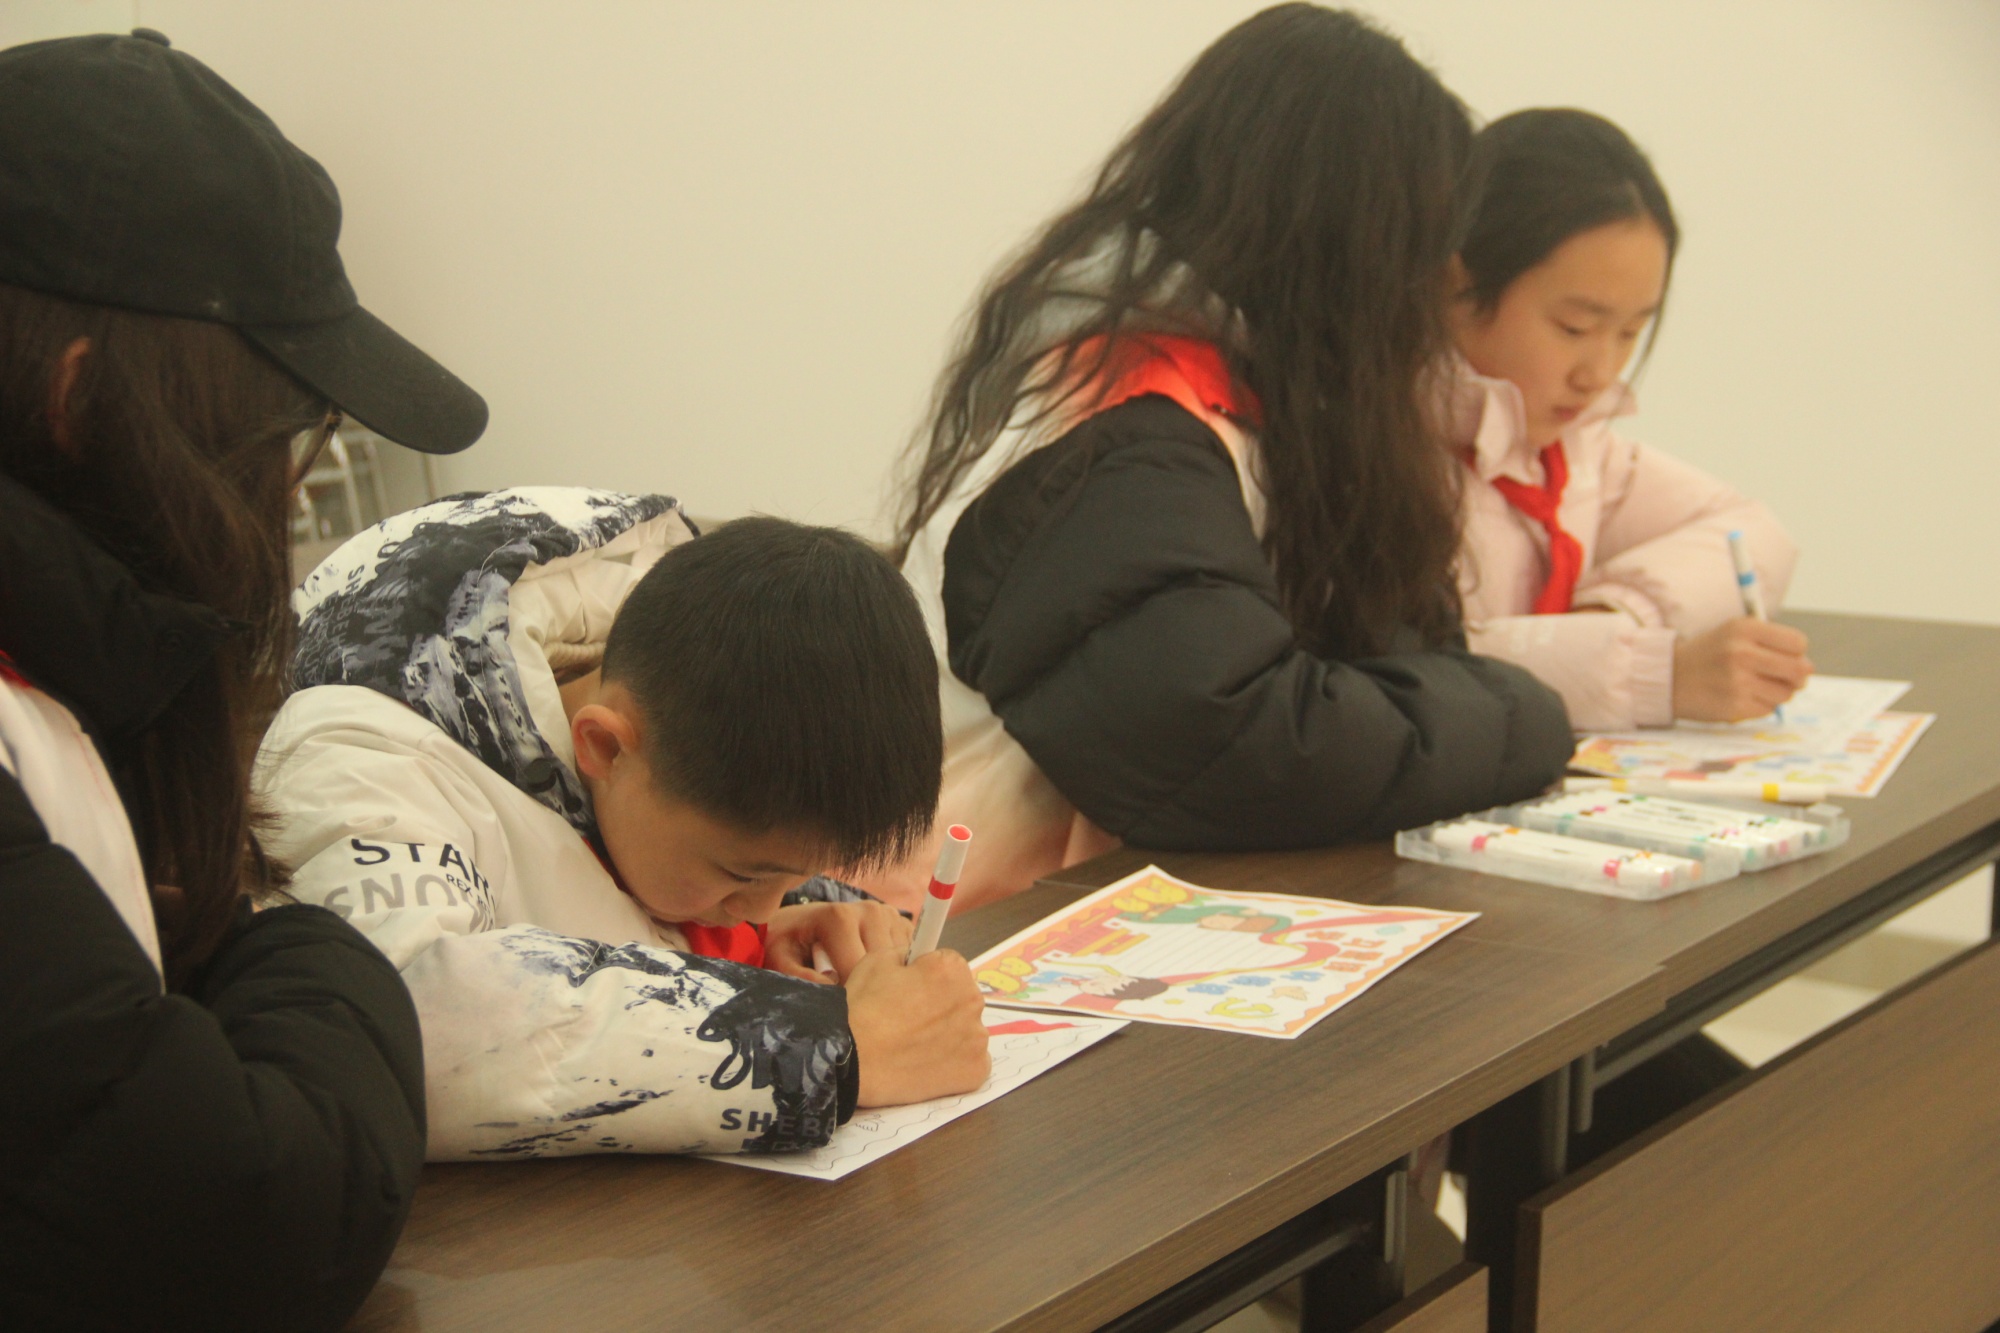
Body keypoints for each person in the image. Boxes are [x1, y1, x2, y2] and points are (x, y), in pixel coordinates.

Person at [873, 3, 1574, 912]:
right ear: (1353, 243)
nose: (1435, 296)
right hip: (956, 927)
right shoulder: (1123, 403)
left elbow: (1390, 652)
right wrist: (1518, 716)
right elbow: (1228, 745)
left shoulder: (1281, 399)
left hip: (1115, 908)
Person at [0, 30, 488, 1331]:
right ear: (77, 400)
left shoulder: (69, 686)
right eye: (271, 436)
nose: (280, 496)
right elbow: (245, 1217)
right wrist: (313, 953)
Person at [257, 493, 991, 1159]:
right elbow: (408, 1026)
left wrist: (787, 926)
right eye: (744, 875)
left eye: (794, 876)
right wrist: (837, 1049)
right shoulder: (359, 753)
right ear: (604, 747)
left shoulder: (701, 699)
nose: (762, 906)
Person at [1450, 107, 1811, 731]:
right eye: (1574, 328)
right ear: (1457, 286)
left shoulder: (1574, 451)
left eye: (1629, 334)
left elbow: (1755, 533)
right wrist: (1651, 673)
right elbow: (1416, 667)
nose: (1598, 373)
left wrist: (1615, 620)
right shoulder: (1379, 451)